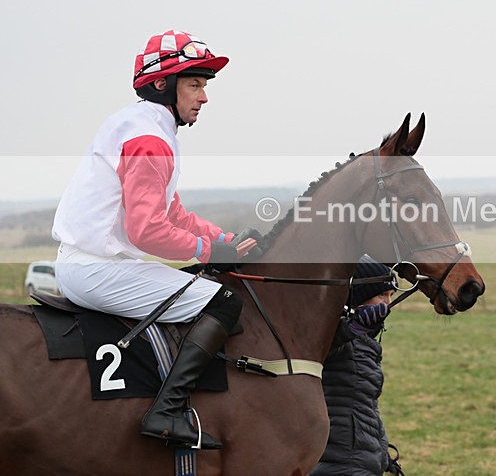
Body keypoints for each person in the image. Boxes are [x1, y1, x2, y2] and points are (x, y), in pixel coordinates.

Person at [52, 29, 261, 450]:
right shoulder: (150, 140)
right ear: (164, 85)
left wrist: (225, 239)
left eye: (204, 86)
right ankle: (165, 412)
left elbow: (174, 214)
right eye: (196, 85)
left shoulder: (143, 126)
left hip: (92, 263)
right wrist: (209, 250)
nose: (204, 97)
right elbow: (146, 230)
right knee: (223, 300)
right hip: (98, 270)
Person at [310, 255, 404, 475]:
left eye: (391, 295)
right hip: (337, 462)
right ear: (357, 296)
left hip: (361, 459)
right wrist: (352, 329)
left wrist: (381, 453)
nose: (388, 304)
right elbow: (321, 349)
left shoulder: (365, 341)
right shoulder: (327, 332)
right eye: (382, 294)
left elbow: (364, 408)